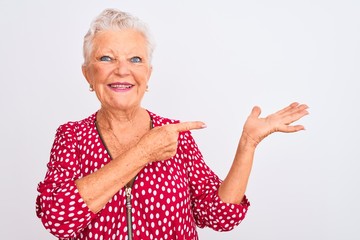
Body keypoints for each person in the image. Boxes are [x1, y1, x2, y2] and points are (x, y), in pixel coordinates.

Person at [36, 8, 309, 240]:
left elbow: (219, 215)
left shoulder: (174, 134)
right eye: (106, 58)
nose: (122, 69)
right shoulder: (72, 137)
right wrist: (144, 152)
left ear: (148, 74)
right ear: (88, 74)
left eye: (135, 59)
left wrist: (247, 144)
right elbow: (59, 219)